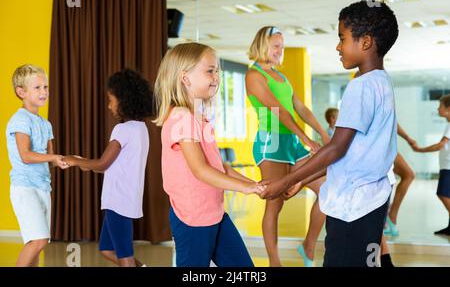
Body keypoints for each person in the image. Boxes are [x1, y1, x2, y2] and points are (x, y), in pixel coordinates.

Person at [260, 0, 399, 267]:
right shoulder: (383, 82)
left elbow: (337, 149)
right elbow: (353, 156)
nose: (337, 46)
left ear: (366, 42)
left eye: (342, 38)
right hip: (371, 202)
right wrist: (304, 180)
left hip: (351, 209)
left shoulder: (360, 87)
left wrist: (287, 181)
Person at [153, 42, 265, 267]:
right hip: (193, 217)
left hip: (214, 212)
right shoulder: (182, 117)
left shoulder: (198, 117)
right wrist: (245, 188)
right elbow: (201, 170)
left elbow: (220, 167)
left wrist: (255, 185)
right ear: (185, 78)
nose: (216, 77)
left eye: (217, 71)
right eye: (210, 71)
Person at [246, 26, 330, 267]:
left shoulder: (281, 77)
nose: (279, 51)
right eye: (275, 46)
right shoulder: (254, 75)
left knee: (327, 190)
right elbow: (279, 112)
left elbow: (300, 108)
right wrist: (306, 138)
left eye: (281, 46)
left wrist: (324, 134)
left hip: (292, 142)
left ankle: (308, 247)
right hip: (271, 142)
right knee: (275, 203)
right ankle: (274, 261)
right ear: (262, 45)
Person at [63, 69, 153, 267]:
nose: (109, 105)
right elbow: (110, 166)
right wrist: (88, 164)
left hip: (117, 201)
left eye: (111, 99)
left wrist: (74, 160)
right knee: (107, 249)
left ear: (124, 100)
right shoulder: (141, 129)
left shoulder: (122, 130)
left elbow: (103, 163)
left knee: (124, 254)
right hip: (126, 200)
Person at [7, 64, 69, 266]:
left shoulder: (46, 124)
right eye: (37, 87)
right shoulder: (20, 120)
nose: (44, 92)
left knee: (36, 243)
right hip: (25, 188)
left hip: (43, 187)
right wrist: (53, 158)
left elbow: (50, 158)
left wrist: (67, 160)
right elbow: (25, 155)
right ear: (21, 92)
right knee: (39, 240)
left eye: (46, 87)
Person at [410, 94, 450, 236]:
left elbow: (440, 145)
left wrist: (420, 150)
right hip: (446, 166)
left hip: (448, 167)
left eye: (440, 107)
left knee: (443, 194)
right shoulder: (448, 125)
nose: (438, 109)